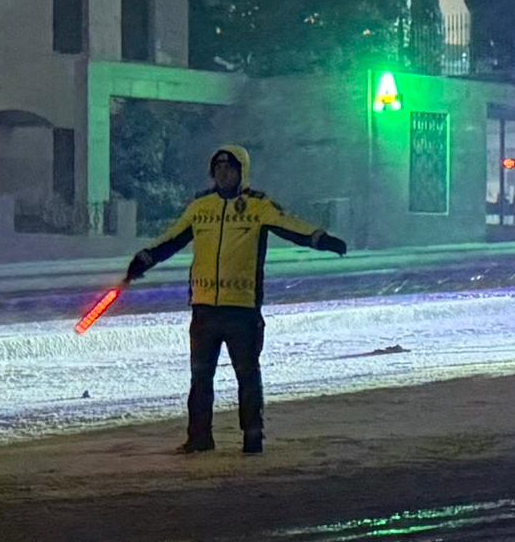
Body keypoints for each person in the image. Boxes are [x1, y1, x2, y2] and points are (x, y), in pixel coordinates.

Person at [122, 142, 349, 454]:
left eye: (230, 167)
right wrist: (144, 259)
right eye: (218, 168)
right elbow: (172, 238)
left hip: (242, 308)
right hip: (204, 307)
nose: (223, 173)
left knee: (247, 375)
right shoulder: (201, 207)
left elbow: (290, 226)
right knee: (200, 377)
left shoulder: (257, 206)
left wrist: (321, 240)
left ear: (242, 172)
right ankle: (199, 438)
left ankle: (252, 437)